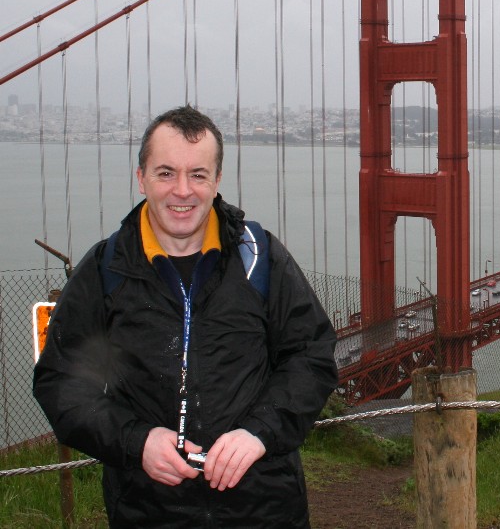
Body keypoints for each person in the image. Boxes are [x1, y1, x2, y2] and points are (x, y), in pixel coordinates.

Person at [34, 106, 339, 528]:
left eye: (198, 174)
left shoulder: (260, 257)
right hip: (148, 510)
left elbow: (312, 355)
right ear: (140, 178)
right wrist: (135, 441)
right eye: (165, 173)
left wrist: (259, 433)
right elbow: (60, 383)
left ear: (217, 182)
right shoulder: (106, 268)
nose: (182, 190)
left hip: (264, 507)